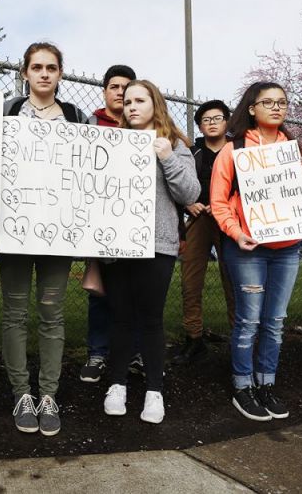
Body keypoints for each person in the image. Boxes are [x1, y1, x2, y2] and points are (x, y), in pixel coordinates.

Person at [210, 83, 302, 420]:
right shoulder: (234, 149)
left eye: (282, 102)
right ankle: (243, 386)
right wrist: (236, 233)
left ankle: (266, 383)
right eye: (267, 102)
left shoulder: (294, 148)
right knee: (248, 321)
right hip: (248, 249)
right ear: (252, 108)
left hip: (287, 249)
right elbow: (218, 202)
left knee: (275, 321)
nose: (276, 107)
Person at [1, 42, 88, 436]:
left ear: (60, 73)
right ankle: (22, 392)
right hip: (16, 227)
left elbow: (92, 169)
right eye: (36, 67)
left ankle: (48, 393)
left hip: (59, 230)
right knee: (15, 314)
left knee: (52, 314)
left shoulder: (75, 116)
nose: (44, 74)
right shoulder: (6, 110)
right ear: (25, 73)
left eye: (51, 67)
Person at [102, 80, 200, 424]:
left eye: (139, 100)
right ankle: (117, 384)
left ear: (154, 103)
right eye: (127, 101)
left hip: (157, 244)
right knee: (120, 317)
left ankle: (154, 390)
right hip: (117, 243)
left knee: (150, 318)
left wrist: (167, 157)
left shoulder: (174, 144)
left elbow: (190, 193)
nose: (131, 106)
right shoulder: (111, 144)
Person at [79, 64, 147, 382]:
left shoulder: (144, 125)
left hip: (135, 221)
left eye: (126, 87)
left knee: (134, 291)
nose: (120, 93)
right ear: (104, 90)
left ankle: (133, 352)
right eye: (114, 87)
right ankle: (97, 353)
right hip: (100, 219)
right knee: (100, 291)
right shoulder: (89, 123)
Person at [173, 99, 236, 366]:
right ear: (200, 125)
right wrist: (189, 204)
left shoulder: (238, 150)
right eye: (206, 119)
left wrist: (225, 207)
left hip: (229, 220)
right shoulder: (192, 151)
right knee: (190, 281)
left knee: (233, 281)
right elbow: (179, 183)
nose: (212, 123)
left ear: (227, 122)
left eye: (217, 118)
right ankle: (194, 338)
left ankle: (239, 340)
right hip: (199, 218)